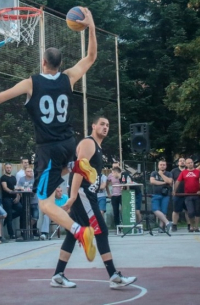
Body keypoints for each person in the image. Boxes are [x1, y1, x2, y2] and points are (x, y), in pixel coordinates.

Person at [0, 7, 98, 261]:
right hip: (68, 142)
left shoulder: (31, 83)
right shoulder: (69, 78)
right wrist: (91, 26)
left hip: (48, 149)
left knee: (44, 203)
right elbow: (90, 57)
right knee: (60, 173)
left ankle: (80, 232)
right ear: (60, 64)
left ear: (43, 62)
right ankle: (77, 165)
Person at [51, 116, 136, 289]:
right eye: (102, 124)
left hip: (86, 195)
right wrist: (73, 196)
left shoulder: (96, 147)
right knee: (102, 231)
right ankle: (113, 275)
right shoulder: (89, 143)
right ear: (93, 126)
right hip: (83, 195)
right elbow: (78, 170)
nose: (105, 127)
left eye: (108, 125)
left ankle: (58, 275)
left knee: (74, 233)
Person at [176, 158, 200, 232]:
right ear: (186, 164)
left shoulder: (198, 172)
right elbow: (178, 181)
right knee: (190, 212)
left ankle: (196, 227)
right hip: (188, 195)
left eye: (191, 162)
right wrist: (174, 191)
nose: (190, 164)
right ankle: (191, 226)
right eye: (188, 163)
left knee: (197, 211)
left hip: (197, 194)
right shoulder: (183, 172)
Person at [149, 159, 173, 232]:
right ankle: (167, 222)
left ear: (166, 166)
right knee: (155, 209)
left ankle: (161, 227)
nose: (162, 166)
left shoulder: (169, 173)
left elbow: (169, 181)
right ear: (158, 166)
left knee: (163, 211)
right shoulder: (154, 173)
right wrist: (163, 183)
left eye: (164, 165)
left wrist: (162, 174)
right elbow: (152, 181)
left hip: (165, 195)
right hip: (156, 194)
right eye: (161, 165)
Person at [0, 163, 23, 240]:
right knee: (9, 216)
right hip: (6, 199)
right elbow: (5, 188)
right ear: (4, 168)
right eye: (7, 168)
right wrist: (12, 192)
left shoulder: (13, 177)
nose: (8, 169)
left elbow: (16, 188)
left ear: (11, 168)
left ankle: (7, 219)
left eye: (10, 167)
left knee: (21, 210)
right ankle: (11, 234)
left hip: (14, 199)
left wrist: (17, 196)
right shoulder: (3, 178)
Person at [17, 167, 40, 239]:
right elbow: (17, 187)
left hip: (34, 201)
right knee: (25, 217)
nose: (30, 172)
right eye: (28, 171)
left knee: (35, 217)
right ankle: (26, 231)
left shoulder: (35, 179)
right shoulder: (22, 179)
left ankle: (28, 228)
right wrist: (20, 189)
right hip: (25, 201)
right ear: (25, 172)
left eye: (31, 171)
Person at [171, 157, 190, 232]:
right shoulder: (174, 171)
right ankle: (174, 225)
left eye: (183, 161)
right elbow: (171, 181)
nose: (182, 162)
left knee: (188, 210)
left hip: (187, 193)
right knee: (176, 211)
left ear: (185, 163)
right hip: (177, 194)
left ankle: (189, 225)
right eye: (180, 161)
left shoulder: (188, 170)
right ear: (178, 163)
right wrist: (173, 190)